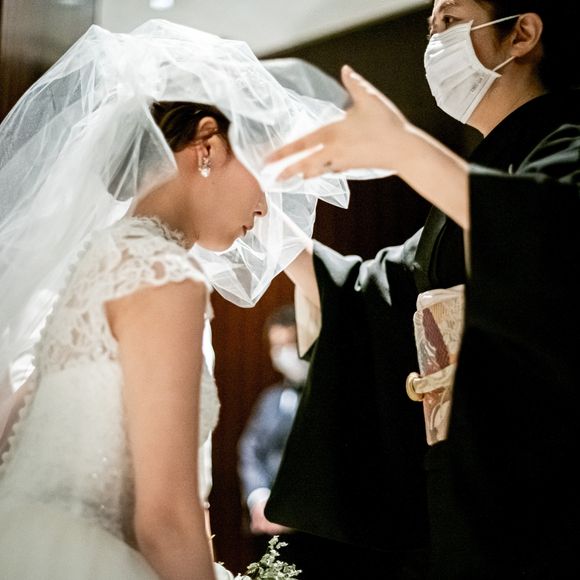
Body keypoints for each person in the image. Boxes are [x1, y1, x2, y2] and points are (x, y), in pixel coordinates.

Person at [0, 19, 355, 580]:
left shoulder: (100, 258)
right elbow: (164, 521)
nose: (268, 208)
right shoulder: (165, 274)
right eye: (268, 175)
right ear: (208, 146)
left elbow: (14, 435)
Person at [264, 1, 580, 578]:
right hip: (466, 479)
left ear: (522, 33)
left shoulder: (568, 146)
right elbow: (379, 293)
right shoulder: (476, 173)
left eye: (450, 20)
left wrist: (404, 148)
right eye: (429, 24)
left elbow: (549, 242)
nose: (433, 40)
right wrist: (263, 224)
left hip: (547, 481)